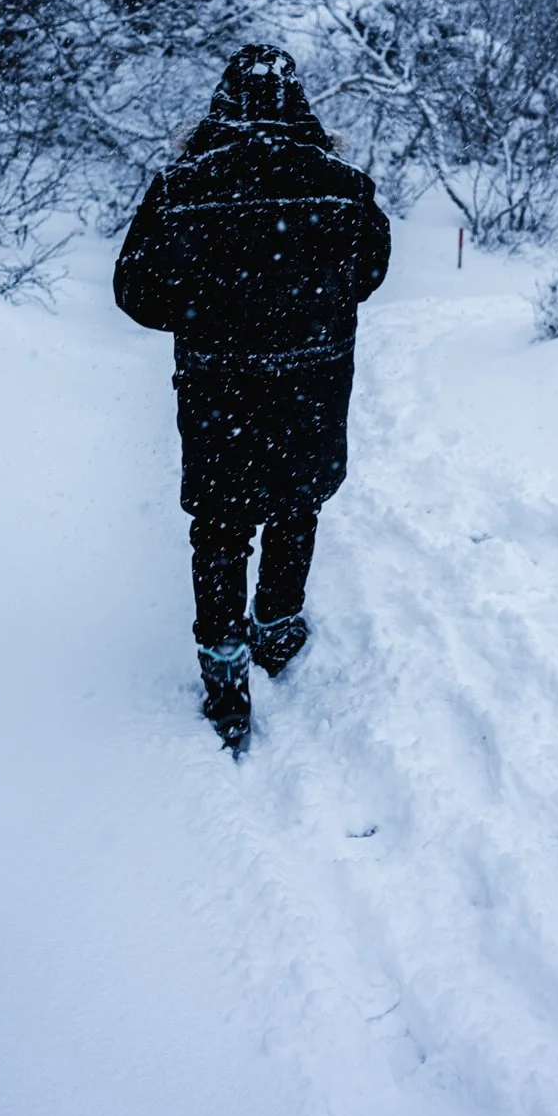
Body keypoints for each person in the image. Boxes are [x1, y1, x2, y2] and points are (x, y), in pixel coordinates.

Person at [114, 44, 391, 753]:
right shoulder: (344, 187)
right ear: (299, 104)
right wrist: (305, 308)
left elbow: (135, 291)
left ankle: (224, 678)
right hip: (311, 387)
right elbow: (368, 272)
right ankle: (276, 628)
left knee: (220, 527)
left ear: (222, 103)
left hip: (219, 393)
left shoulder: (180, 188)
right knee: (296, 508)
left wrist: (206, 312)